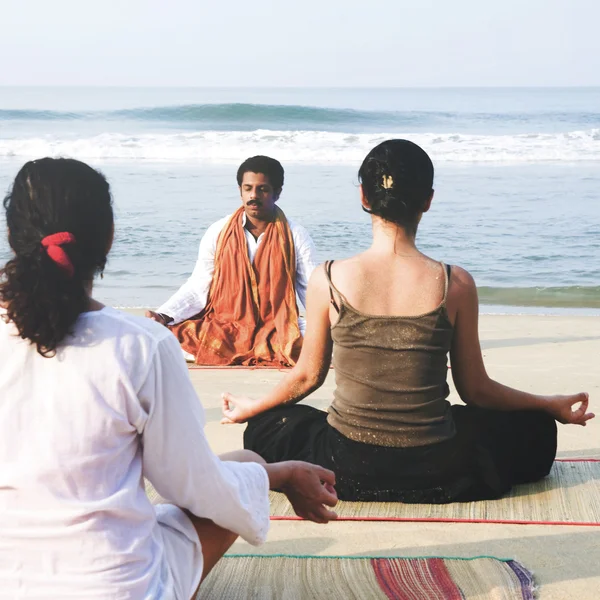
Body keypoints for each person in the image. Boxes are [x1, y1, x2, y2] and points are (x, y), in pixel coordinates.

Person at [0, 158, 337, 599]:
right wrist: (280, 473)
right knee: (247, 467)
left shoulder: (291, 234)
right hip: (116, 587)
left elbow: (305, 286)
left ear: (12, 237)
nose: (255, 196)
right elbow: (191, 486)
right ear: (109, 237)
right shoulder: (143, 345)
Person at [221, 139, 594, 503]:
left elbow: (306, 378)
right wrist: (549, 405)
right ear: (428, 201)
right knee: (537, 428)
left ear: (364, 197)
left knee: (266, 428)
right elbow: (476, 391)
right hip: (438, 464)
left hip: (346, 464)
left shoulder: (328, 279)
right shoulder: (456, 283)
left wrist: (251, 407)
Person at [147, 156, 318, 367]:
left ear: (277, 192)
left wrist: (337, 324)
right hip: (226, 325)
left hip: (276, 325)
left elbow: (311, 289)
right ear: (240, 190)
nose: (254, 196)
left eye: (262, 189)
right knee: (167, 337)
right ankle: (254, 348)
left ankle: (258, 346)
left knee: (312, 338)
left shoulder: (295, 235)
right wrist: (163, 315)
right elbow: (199, 285)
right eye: (248, 188)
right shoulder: (218, 231)